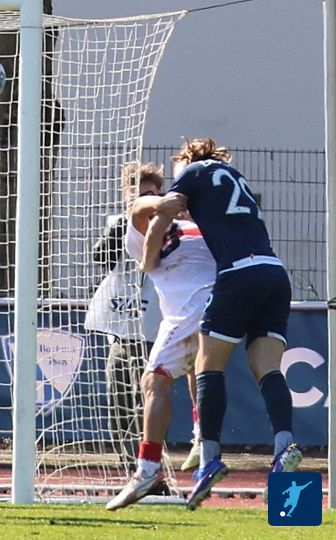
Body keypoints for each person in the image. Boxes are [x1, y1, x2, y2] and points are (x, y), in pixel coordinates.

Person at [152, 138, 298, 510]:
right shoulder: (234, 177)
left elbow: (166, 210)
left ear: (188, 160)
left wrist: (148, 256)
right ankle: (284, 446)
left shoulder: (193, 172)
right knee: (268, 369)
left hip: (239, 273)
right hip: (274, 272)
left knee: (207, 365)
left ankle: (209, 459)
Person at [106, 162, 214, 510]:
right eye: (139, 194)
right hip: (159, 317)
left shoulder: (200, 222)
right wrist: (163, 204)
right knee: (154, 383)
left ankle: (161, 463)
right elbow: (140, 210)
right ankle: (190, 451)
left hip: (198, 305)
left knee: (170, 374)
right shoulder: (135, 229)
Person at [84, 182, 162, 467]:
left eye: (149, 193)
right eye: (137, 193)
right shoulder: (118, 224)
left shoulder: (167, 226)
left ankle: (150, 461)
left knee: (145, 397)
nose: (143, 198)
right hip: (121, 328)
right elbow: (101, 257)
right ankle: (130, 462)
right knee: (118, 400)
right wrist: (123, 224)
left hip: (153, 327)